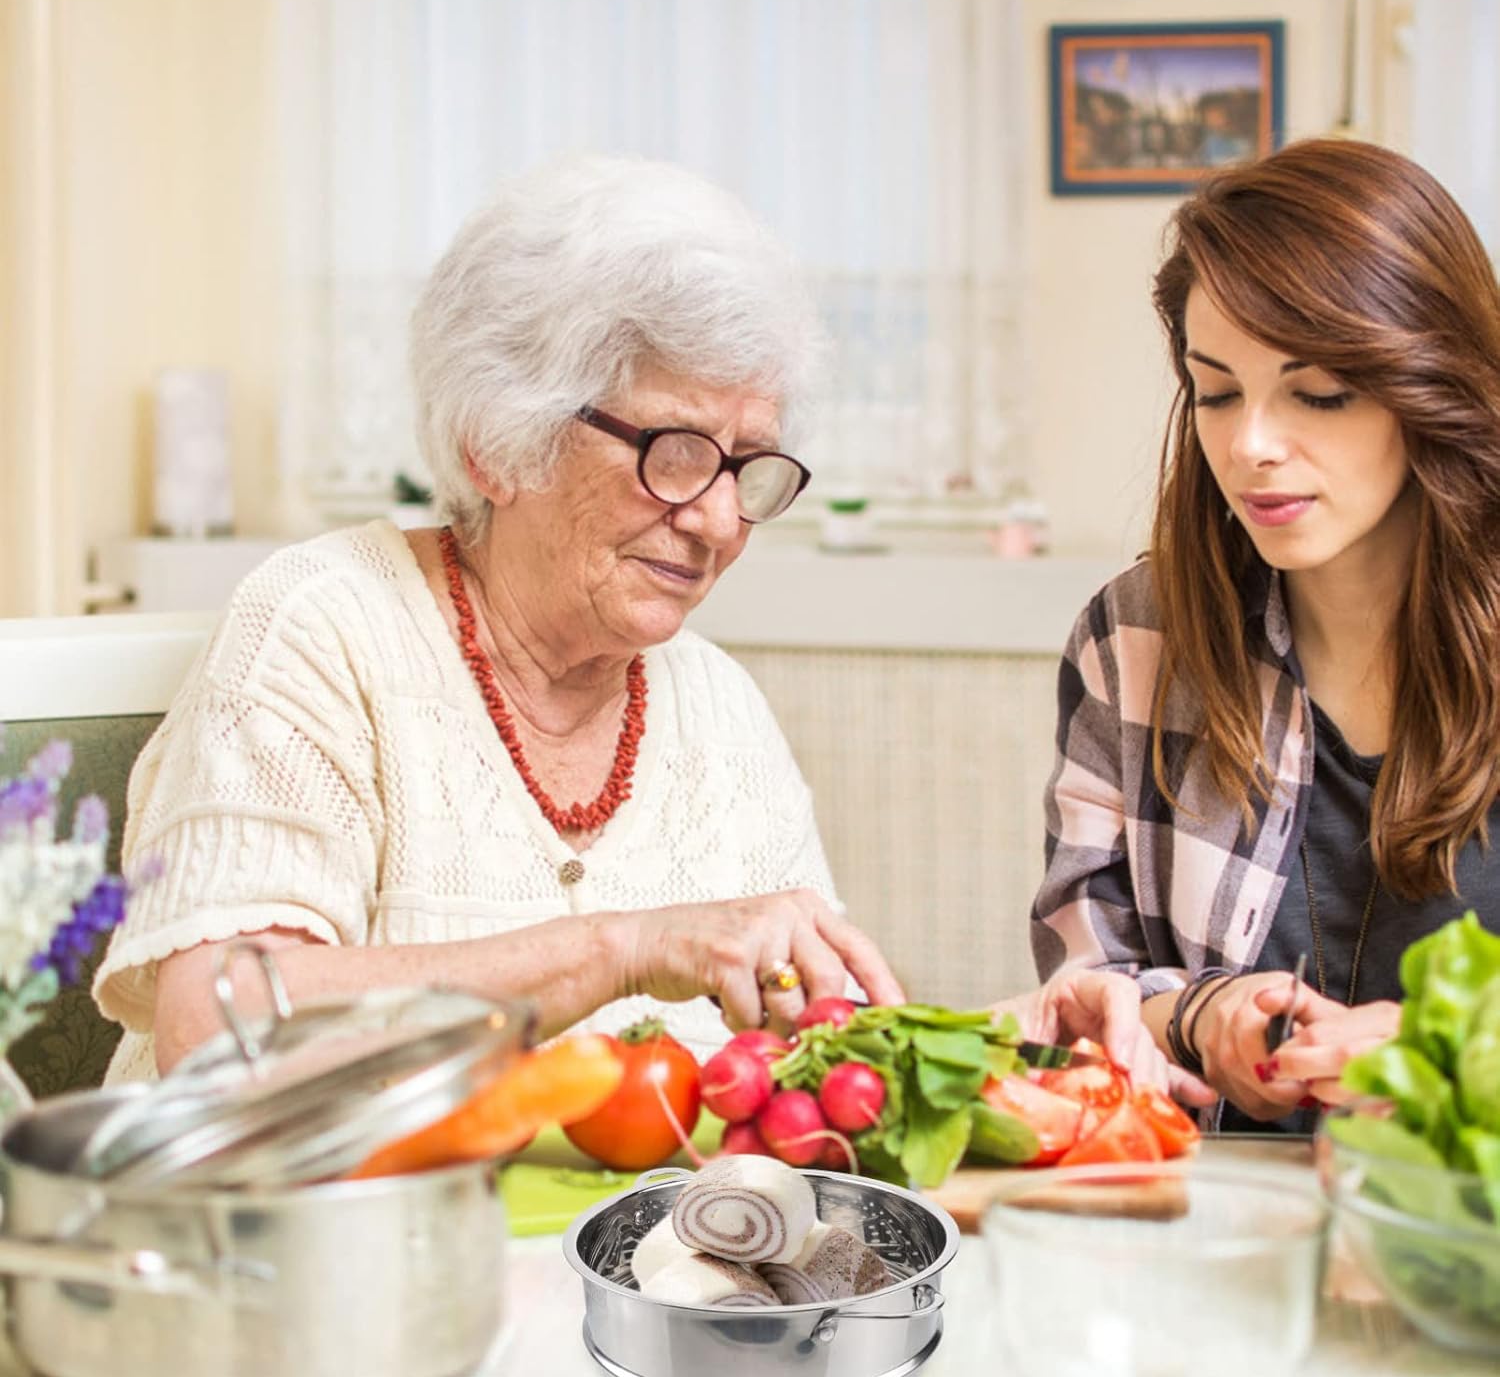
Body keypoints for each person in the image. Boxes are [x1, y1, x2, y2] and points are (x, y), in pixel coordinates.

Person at [95, 153, 1170, 1087]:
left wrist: (1004, 1047)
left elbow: (814, 1060)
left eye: (748, 466)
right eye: (675, 451)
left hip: (599, 1289)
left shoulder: (715, 711)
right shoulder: (327, 627)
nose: (715, 522)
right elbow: (214, 1028)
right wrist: (617, 949)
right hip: (302, 1274)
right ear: (497, 441)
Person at [1032, 138, 1500, 1132]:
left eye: (1320, 393)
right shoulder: (1135, 639)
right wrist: (1205, 1018)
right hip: (1221, 1229)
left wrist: (1448, 1055)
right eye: (1217, 391)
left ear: (1433, 385)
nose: (1250, 444)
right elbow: (1086, 989)